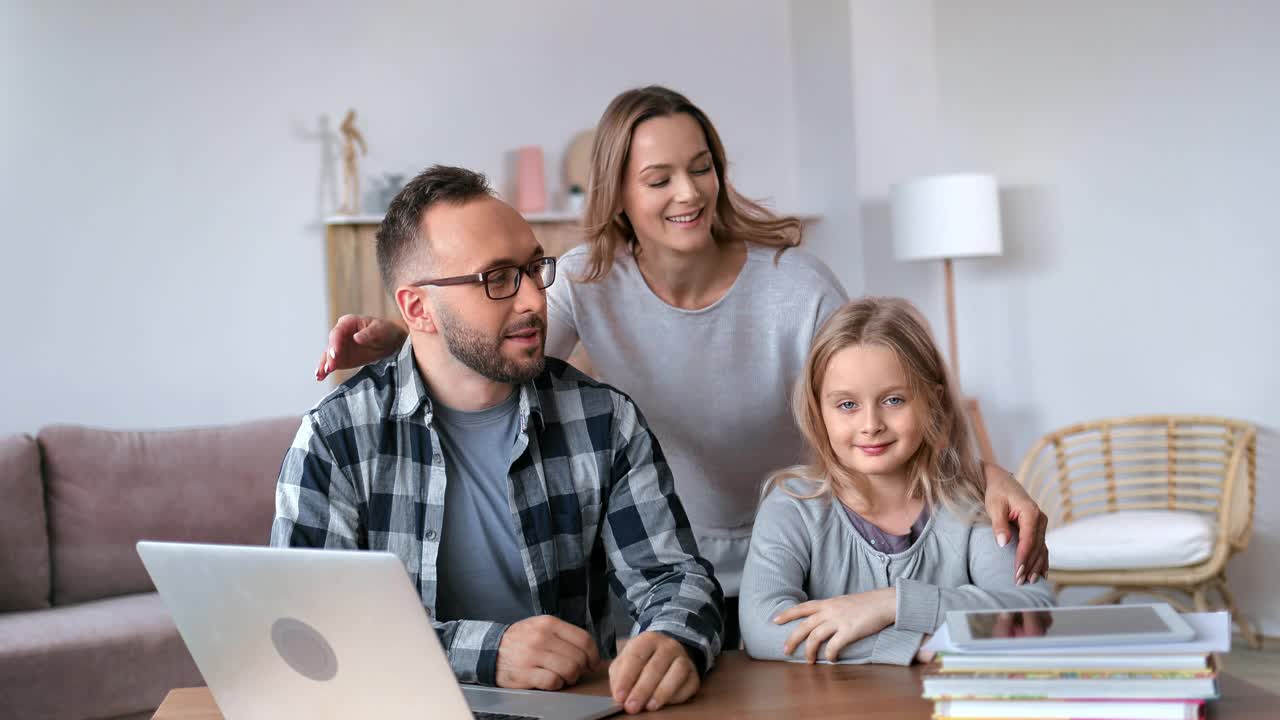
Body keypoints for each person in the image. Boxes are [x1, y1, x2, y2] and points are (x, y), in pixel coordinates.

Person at [313, 86, 1050, 648]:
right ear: (621, 196)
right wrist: (403, 342)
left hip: (800, 549)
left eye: (701, 169)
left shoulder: (798, 286)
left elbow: (883, 394)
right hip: (667, 568)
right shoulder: (582, 280)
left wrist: (985, 472)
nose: (689, 192)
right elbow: (506, 353)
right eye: (659, 178)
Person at [272, 165, 722, 715]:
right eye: (498, 278)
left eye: (534, 268)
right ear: (418, 309)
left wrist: (675, 641)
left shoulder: (604, 419)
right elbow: (309, 631)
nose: (534, 299)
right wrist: (486, 652)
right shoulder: (336, 438)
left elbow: (675, 578)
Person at [738, 297, 1053, 666]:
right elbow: (763, 628)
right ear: (818, 410)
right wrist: (911, 644)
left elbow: (1032, 609)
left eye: (893, 400)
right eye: (847, 405)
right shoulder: (791, 506)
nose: (871, 425)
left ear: (932, 401)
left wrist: (890, 603)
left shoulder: (974, 503)